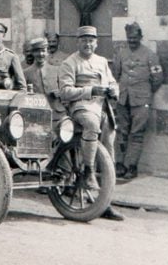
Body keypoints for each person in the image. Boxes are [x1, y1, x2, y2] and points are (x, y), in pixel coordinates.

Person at [59, 25, 124, 221]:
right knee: (91, 125)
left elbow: (112, 82)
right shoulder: (69, 63)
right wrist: (90, 90)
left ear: (96, 43)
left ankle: (105, 205)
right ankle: (88, 171)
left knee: (108, 157)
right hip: (82, 107)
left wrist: (114, 90)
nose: (88, 44)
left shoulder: (102, 61)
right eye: (84, 40)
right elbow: (65, 92)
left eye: (91, 40)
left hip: (103, 109)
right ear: (77, 42)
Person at [112, 22, 163, 179]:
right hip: (123, 99)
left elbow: (158, 78)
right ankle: (119, 164)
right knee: (121, 131)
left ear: (140, 37)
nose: (132, 41)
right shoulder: (121, 53)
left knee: (137, 133)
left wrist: (145, 92)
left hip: (141, 100)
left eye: (134, 38)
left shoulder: (150, 55)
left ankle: (131, 166)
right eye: (129, 38)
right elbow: (116, 73)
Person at [23, 37, 65, 114]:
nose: (40, 54)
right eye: (37, 51)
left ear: (47, 51)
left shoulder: (57, 70)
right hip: (36, 112)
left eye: (43, 51)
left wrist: (58, 92)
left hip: (56, 112)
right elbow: (22, 95)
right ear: (32, 53)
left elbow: (66, 89)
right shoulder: (26, 73)